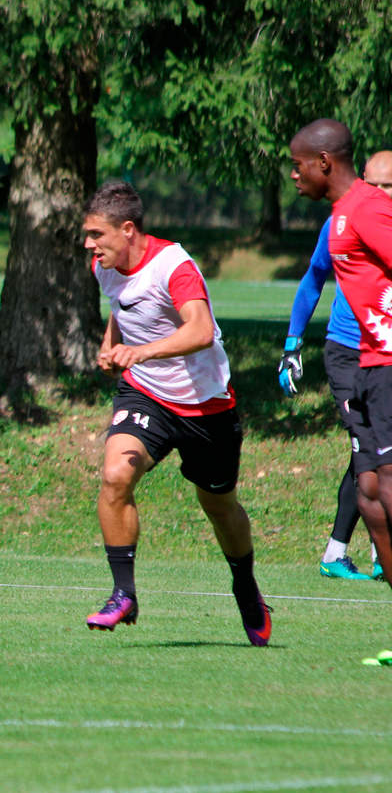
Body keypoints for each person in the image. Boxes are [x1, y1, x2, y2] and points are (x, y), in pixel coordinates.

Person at [82, 181, 270, 646]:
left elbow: (201, 330)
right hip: (146, 396)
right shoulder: (103, 266)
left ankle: (245, 585)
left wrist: (139, 352)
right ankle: (123, 593)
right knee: (114, 476)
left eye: (96, 234)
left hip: (207, 407)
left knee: (218, 505)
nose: (88, 244)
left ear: (127, 230)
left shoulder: (175, 267)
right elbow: (121, 308)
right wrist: (110, 347)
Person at [288, 119, 392, 598]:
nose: (294, 175)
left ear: (323, 163)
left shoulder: (367, 210)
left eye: (298, 165)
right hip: (364, 362)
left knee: (383, 487)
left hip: (387, 362)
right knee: (369, 490)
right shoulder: (342, 217)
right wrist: (293, 343)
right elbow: (313, 280)